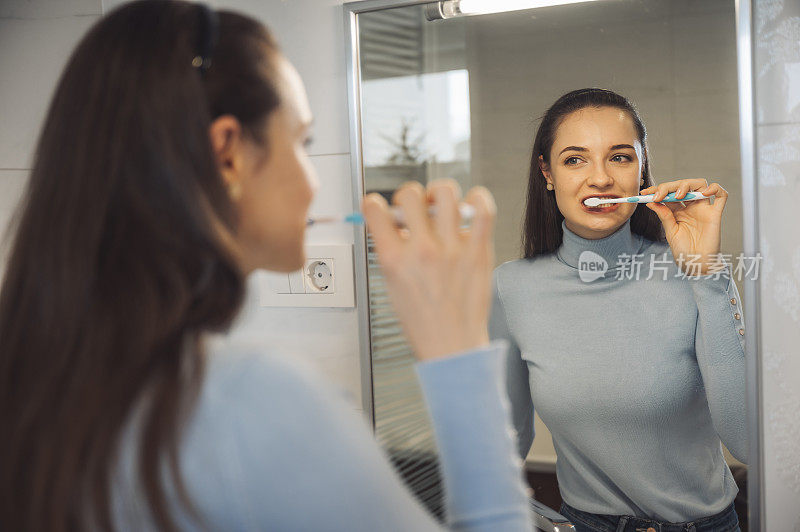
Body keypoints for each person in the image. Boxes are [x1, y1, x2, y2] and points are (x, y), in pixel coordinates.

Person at [0, 1, 534, 530]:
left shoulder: (35, 383)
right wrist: (457, 352)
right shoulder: (251, 404)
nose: (315, 180)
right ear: (228, 155)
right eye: (303, 141)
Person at [490, 88, 746, 532]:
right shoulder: (511, 287)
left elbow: (747, 439)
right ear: (546, 173)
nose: (601, 179)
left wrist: (705, 272)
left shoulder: (693, 275)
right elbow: (504, 445)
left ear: (642, 168)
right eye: (575, 160)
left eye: (621, 157)